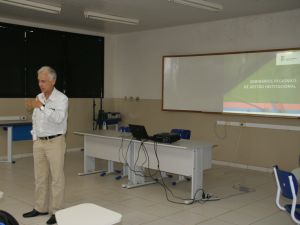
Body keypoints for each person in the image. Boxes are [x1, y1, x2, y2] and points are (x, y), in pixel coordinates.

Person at [23, 66, 68, 225]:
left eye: (43, 81)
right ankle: (40, 207)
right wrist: (35, 138)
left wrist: (41, 106)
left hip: (55, 142)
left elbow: (58, 118)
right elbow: (36, 119)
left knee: (57, 178)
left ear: (53, 81)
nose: (40, 84)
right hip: (39, 143)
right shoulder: (38, 96)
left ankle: (57, 212)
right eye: (39, 81)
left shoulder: (62, 99)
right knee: (40, 177)